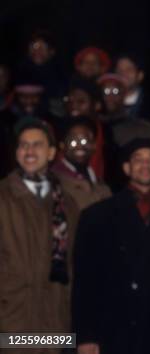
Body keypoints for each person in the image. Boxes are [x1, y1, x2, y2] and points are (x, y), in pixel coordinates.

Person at [72, 138, 150, 354]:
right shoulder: (96, 217)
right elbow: (85, 282)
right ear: (126, 168)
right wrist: (85, 336)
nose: (145, 165)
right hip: (114, 331)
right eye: (138, 159)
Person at [0, 118, 80, 352]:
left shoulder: (67, 203)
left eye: (37, 144)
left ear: (52, 152)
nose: (29, 150)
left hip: (56, 322)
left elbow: (74, 263)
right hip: (10, 322)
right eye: (23, 145)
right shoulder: (3, 197)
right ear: (16, 153)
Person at [52, 116, 111, 211]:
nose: (79, 146)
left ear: (94, 145)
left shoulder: (102, 185)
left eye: (85, 141)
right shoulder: (55, 181)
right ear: (62, 146)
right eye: (73, 142)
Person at [115, 53, 150, 119]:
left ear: (140, 76)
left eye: (129, 70)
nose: (123, 74)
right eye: (119, 71)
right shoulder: (108, 102)